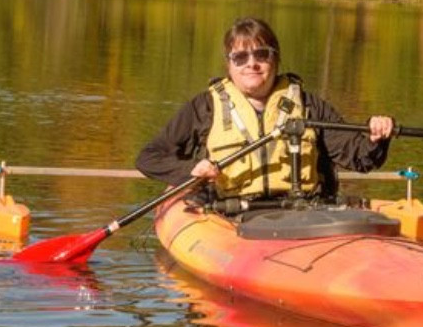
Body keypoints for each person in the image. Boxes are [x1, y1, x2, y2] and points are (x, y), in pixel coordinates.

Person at [136, 17, 393, 206]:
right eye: (240, 58)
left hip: (303, 213)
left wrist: (375, 137)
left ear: (275, 59)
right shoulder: (204, 107)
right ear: (229, 64)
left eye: (262, 55)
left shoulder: (309, 106)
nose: (252, 64)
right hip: (229, 215)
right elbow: (149, 158)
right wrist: (190, 170)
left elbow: (359, 159)